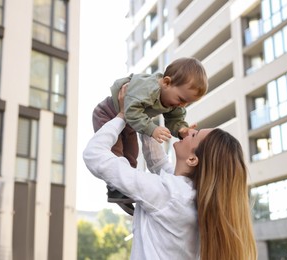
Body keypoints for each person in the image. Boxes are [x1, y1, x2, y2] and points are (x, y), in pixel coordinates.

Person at [83, 86, 257, 260]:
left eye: (195, 136)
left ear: (192, 159)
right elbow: (159, 163)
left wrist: (121, 115)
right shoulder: (190, 195)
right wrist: (144, 118)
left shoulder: (170, 195)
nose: (189, 131)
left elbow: (95, 154)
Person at [92, 57, 208, 214]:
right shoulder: (148, 88)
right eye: (181, 99)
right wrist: (152, 129)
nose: (181, 105)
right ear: (166, 82)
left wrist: (181, 129)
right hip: (109, 113)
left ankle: (122, 190)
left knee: (132, 154)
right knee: (116, 151)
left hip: (132, 123)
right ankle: (115, 188)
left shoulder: (174, 101)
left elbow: (176, 119)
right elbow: (130, 110)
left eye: (187, 103)